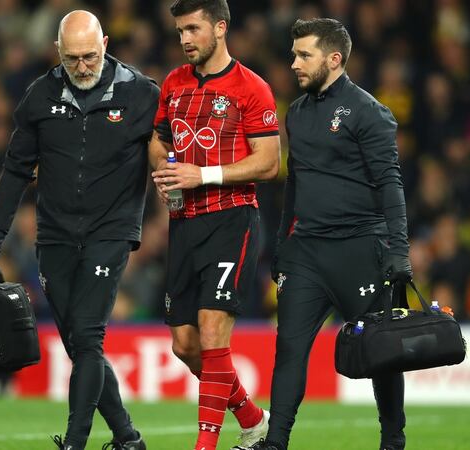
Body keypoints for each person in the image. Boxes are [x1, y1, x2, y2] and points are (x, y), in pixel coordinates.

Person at [0, 10, 159, 450]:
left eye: (90, 56)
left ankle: (75, 442)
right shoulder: (39, 96)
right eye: (72, 58)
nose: (82, 67)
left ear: (107, 44)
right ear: (58, 52)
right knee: (79, 344)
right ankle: (128, 439)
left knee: (88, 335)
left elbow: (165, 149)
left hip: (111, 231)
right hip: (54, 234)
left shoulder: (142, 94)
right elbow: (15, 171)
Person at [252, 18, 412, 450]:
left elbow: (390, 183)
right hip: (307, 252)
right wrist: (284, 245)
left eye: (304, 55)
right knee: (288, 349)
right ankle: (276, 441)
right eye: (294, 54)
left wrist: (399, 251)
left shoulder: (368, 112)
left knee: (382, 352)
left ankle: (392, 440)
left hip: (360, 247)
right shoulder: (298, 114)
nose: (294, 63)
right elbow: (295, 186)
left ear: (334, 59)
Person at [149, 1, 281, 449]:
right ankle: (251, 417)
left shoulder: (252, 87)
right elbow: (159, 138)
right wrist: (166, 173)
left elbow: (269, 163)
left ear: (220, 28)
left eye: (193, 29)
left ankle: (205, 445)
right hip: (184, 223)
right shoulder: (173, 84)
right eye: (180, 31)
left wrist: (201, 175)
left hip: (231, 219)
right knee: (185, 346)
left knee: (210, 332)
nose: (185, 39)